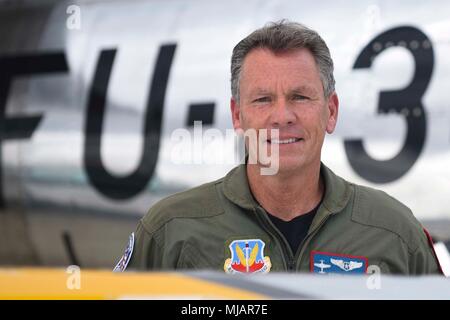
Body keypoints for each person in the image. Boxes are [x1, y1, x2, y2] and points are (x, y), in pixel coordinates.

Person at [114, 21, 442, 275]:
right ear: (238, 116)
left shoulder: (395, 232)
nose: (282, 116)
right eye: (263, 99)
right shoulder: (171, 230)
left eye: (300, 96)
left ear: (331, 111)